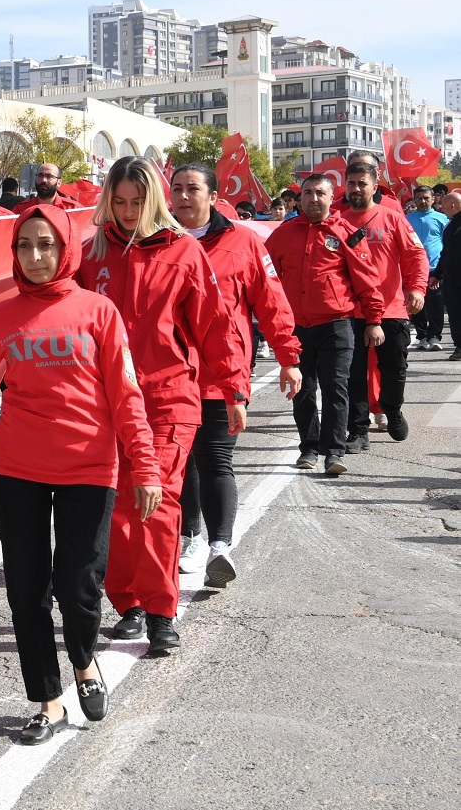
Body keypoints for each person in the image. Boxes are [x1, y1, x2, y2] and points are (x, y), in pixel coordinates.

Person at [0, 203, 157, 745]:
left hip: (89, 465)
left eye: (47, 245)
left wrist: (145, 464)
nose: (36, 256)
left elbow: (126, 392)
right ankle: (48, 700)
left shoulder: (98, 312)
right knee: (26, 589)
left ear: (66, 249)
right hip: (18, 468)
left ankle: (85, 662)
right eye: (25, 246)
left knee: (78, 584)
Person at [79, 157, 248, 654]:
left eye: (138, 201)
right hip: (106, 402)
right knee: (119, 505)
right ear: (108, 200)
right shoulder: (92, 256)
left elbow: (216, 327)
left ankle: (160, 611)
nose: (129, 212)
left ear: (155, 200)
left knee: (159, 500)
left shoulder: (183, 254)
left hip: (170, 398)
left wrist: (234, 387)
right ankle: (128, 603)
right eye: (120, 202)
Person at [169, 164, 302, 585]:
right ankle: (189, 535)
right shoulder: (157, 241)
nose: (184, 197)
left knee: (216, 459)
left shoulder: (242, 241)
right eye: (176, 189)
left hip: (222, 373)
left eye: (193, 189)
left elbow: (272, 302)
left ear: (213, 195)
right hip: (169, 373)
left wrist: (289, 357)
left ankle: (219, 547)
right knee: (182, 459)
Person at [264, 173, 385, 474]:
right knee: (301, 390)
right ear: (299, 198)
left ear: (332, 198)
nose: (313, 198)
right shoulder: (283, 233)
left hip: (337, 324)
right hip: (296, 327)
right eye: (307, 193)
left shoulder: (347, 232)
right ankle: (308, 448)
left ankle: (334, 452)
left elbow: (367, 279)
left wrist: (374, 320)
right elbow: (265, 278)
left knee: (336, 387)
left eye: (320, 193)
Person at [340, 159, 428, 452]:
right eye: (351, 183)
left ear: (374, 185)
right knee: (354, 373)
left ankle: (392, 408)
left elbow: (416, 257)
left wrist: (416, 289)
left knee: (394, 369)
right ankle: (358, 429)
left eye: (362, 183)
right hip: (350, 313)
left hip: (391, 309)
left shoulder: (392, 218)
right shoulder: (336, 222)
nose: (356, 189)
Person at [408, 186, 448, 350]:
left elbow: (447, 245)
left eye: (426, 198)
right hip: (413, 269)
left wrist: (441, 271)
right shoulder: (406, 219)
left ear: (433, 199)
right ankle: (422, 335)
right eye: (419, 198)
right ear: (414, 200)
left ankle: (434, 336)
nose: (423, 201)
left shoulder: (442, 219)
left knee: (435, 303)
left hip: (434, 268)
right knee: (416, 303)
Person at [436, 192, 461, 361]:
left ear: (452, 206)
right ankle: (459, 346)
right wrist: (436, 274)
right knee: (454, 314)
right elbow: (444, 252)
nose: (441, 209)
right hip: (451, 278)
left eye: (443, 206)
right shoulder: (449, 226)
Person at [12, 163, 78, 213]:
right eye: (40, 175)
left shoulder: (73, 209)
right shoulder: (21, 209)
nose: (43, 180)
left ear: (59, 182)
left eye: (49, 176)